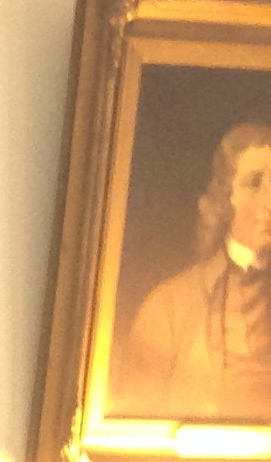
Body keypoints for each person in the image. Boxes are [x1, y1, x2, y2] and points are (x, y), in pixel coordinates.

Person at [110, 120, 271, 421]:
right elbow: (134, 424)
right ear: (225, 199)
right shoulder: (168, 307)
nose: (269, 200)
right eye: (254, 183)